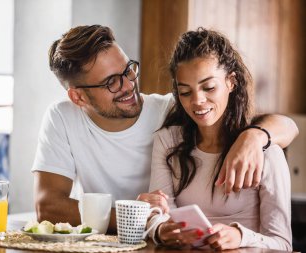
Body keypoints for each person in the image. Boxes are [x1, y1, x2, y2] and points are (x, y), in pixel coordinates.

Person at [32, 25, 298, 233]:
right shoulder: (62, 117)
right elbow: (48, 206)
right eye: (111, 82)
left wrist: (254, 136)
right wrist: (133, 215)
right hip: (107, 239)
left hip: (155, 240)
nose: (128, 86)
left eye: (128, 70)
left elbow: (287, 126)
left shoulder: (170, 109)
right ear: (78, 97)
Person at [139, 28, 292, 250]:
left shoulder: (265, 153)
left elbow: (283, 244)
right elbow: (159, 216)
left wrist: (241, 236)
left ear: (231, 82)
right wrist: (162, 230)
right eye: (185, 92)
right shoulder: (167, 141)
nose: (198, 100)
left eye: (209, 87)